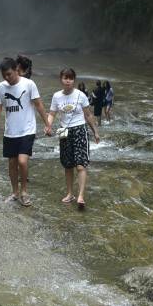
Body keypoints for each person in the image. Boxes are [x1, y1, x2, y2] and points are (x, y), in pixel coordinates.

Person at [0, 57, 51, 207]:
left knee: (22, 161)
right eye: (4, 75)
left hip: (27, 129)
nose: (7, 78)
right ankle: (15, 192)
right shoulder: (1, 87)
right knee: (12, 163)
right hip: (10, 131)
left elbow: (38, 104)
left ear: (16, 69)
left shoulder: (29, 84)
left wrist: (47, 123)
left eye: (9, 74)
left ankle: (24, 191)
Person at [46, 68, 100, 211]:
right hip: (65, 132)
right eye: (65, 78)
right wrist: (48, 126)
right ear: (61, 79)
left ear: (74, 80)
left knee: (80, 164)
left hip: (80, 130)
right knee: (68, 165)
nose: (68, 80)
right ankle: (70, 194)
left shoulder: (80, 95)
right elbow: (51, 113)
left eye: (70, 78)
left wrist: (95, 132)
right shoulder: (57, 96)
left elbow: (88, 115)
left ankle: (81, 196)